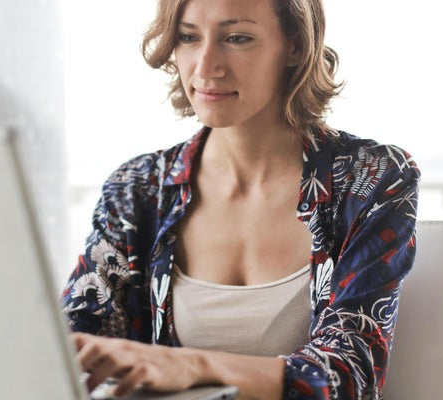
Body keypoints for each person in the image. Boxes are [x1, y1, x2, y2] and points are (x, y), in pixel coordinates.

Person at [60, 0, 419, 399]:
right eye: (188, 37)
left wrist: (192, 366)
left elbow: (351, 375)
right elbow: (66, 350)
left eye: (237, 38)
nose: (206, 66)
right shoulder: (138, 190)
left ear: (296, 45)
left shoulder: (370, 179)